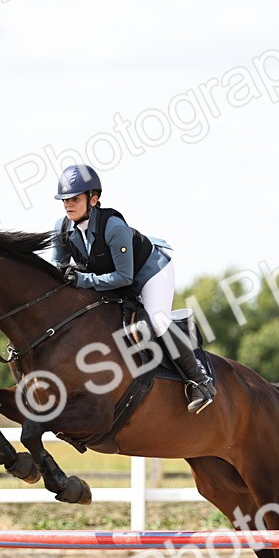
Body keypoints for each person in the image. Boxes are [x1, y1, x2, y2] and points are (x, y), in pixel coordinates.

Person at [50, 164, 215, 414]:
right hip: (113, 277)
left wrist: (82, 280)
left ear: (93, 199)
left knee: (157, 320)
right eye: (65, 200)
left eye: (75, 199)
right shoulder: (62, 228)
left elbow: (124, 278)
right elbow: (57, 271)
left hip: (151, 273)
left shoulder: (113, 226)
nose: (68, 205)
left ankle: (200, 381)